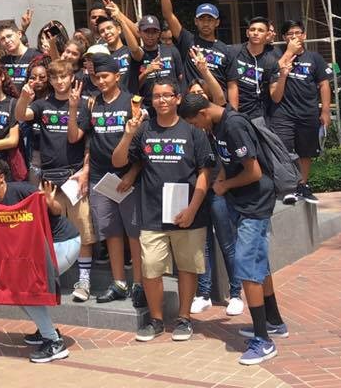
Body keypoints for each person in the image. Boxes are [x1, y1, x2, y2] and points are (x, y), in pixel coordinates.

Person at [179, 93, 288, 366]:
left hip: (256, 203)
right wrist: (224, 181)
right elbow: (227, 162)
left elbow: (253, 171)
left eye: (195, 123)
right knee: (258, 264)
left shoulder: (234, 125)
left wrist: (225, 186)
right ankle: (273, 321)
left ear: (204, 113)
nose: (197, 129)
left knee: (246, 267)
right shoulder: (217, 126)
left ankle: (263, 341)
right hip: (242, 202)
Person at [112, 79, 213, 342]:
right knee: (151, 268)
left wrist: (192, 208)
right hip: (152, 213)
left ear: (178, 98)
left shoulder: (193, 132)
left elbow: (205, 173)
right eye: (157, 96)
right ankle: (156, 320)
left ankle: (184, 319)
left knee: (187, 268)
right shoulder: (144, 130)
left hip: (187, 214)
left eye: (168, 95)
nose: (162, 100)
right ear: (151, 101)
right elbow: (119, 161)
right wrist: (128, 134)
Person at [0, 159, 79, 363]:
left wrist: (50, 201)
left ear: (1, 177)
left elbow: (56, 210)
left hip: (62, 243)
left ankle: (54, 342)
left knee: (25, 289)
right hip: (36, 250)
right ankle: (46, 330)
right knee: (18, 289)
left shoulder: (22, 191)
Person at [68, 54, 146, 307]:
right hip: (101, 179)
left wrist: (133, 174)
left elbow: (141, 145)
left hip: (128, 178)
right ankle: (119, 282)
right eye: (96, 77)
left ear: (117, 77)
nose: (100, 81)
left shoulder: (131, 103)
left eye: (105, 76)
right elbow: (79, 138)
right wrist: (72, 108)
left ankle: (139, 284)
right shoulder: (92, 104)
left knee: (133, 233)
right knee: (111, 232)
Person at [15, 59, 95, 302]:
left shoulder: (84, 105)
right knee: (46, 231)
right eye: (55, 78)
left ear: (72, 77)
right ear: (49, 80)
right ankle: (49, 276)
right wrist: (24, 96)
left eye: (64, 77)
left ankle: (84, 280)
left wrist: (85, 170)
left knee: (82, 230)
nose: (60, 82)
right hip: (49, 178)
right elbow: (21, 114)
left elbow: (77, 139)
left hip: (74, 176)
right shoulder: (42, 104)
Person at [187, 80, 244, 317]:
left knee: (227, 242)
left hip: (218, 191)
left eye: (201, 92)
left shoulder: (219, 125)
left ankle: (236, 293)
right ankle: (203, 293)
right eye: (193, 94)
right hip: (196, 193)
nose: (198, 95)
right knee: (203, 245)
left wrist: (221, 182)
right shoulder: (188, 127)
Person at [270, 20, 332, 205]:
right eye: (290, 33)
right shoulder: (277, 55)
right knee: (285, 151)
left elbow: (324, 84)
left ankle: (302, 185)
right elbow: (273, 72)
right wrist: (289, 53)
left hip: (308, 113)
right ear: (284, 38)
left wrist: (326, 110)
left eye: (298, 32)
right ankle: (287, 187)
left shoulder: (315, 58)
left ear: (304, 35)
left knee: (306, 152)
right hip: (283, 113)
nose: (294, 36)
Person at [157, 0, 232, 92]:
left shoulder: (225, 50)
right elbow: (168, 15)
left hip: (216, 103)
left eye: (210, 19)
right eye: (202, 19)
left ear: (217, 23)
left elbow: (231, 84)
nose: (206, 23)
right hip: (191, 102)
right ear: (195, 22)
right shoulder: (188, 40)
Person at [129, 15, 185, 113]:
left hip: (171, 105)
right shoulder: (136, 56)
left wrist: (180, 99)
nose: (150, 35)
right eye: (146, 32)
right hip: (148, 107)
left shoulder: (171, 50)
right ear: (139, 33)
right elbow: (132, 87)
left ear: (159, 33)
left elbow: (181, 78)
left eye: (154, 32)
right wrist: (146, 72)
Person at [228, 17, 279, 120]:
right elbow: (230, 83)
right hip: (233, 111)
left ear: (268, 35)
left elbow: (275, 97)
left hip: (258, 114)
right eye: (252, 30)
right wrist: (233, 115)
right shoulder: (233, 52)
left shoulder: (271, 61)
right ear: (247, 33)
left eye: (260, 30)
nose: (255, 33)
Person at [0, 20, 41, 96]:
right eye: (2, 39)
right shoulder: (2, 61)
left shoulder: (36, 56)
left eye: (9, 36)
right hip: (10, 105)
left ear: (19, 34)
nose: (6, 41)